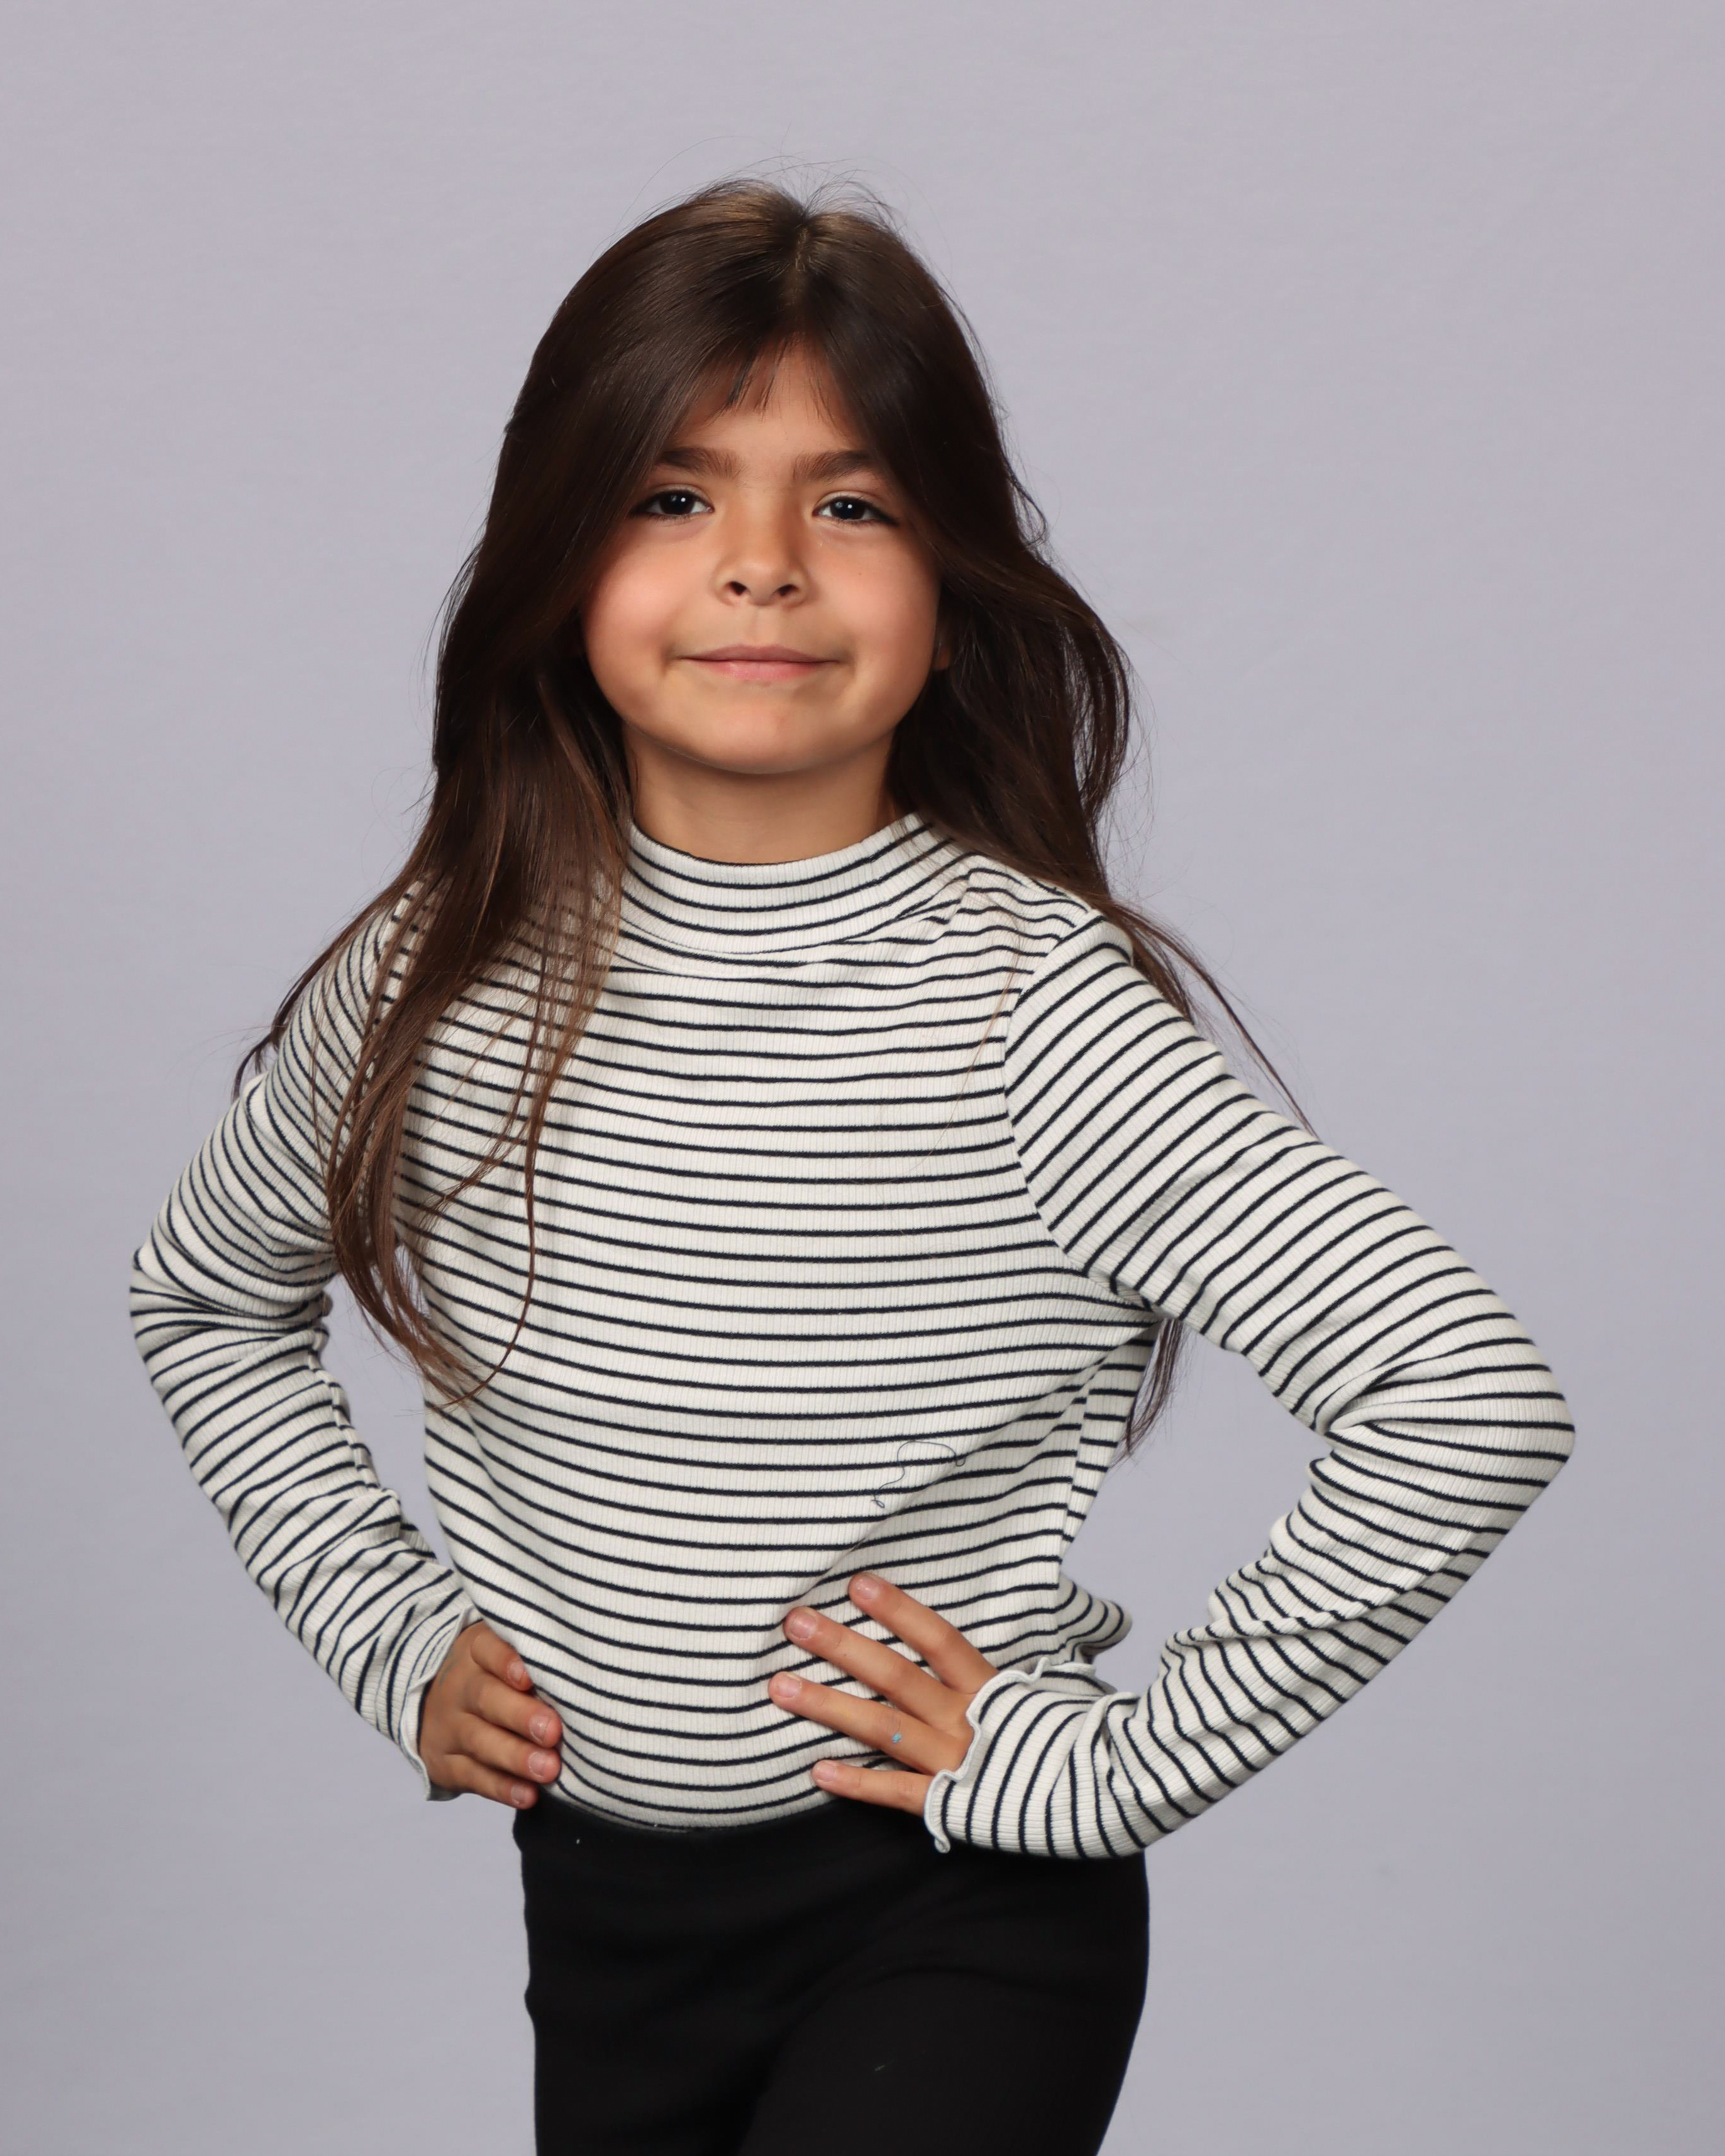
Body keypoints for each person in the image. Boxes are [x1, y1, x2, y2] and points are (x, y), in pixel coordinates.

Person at [128, 178, 1574, 2156]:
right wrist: (386, 1629)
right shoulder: (431, 977)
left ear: (952, 580)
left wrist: (1115, 1765)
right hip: (606, 1915)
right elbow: (205, 1297)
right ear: (557, 555)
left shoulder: (1028, 1010)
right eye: (672, 494)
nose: (761, 565)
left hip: (950, 1911)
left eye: (854, 504)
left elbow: (1463, 1396)